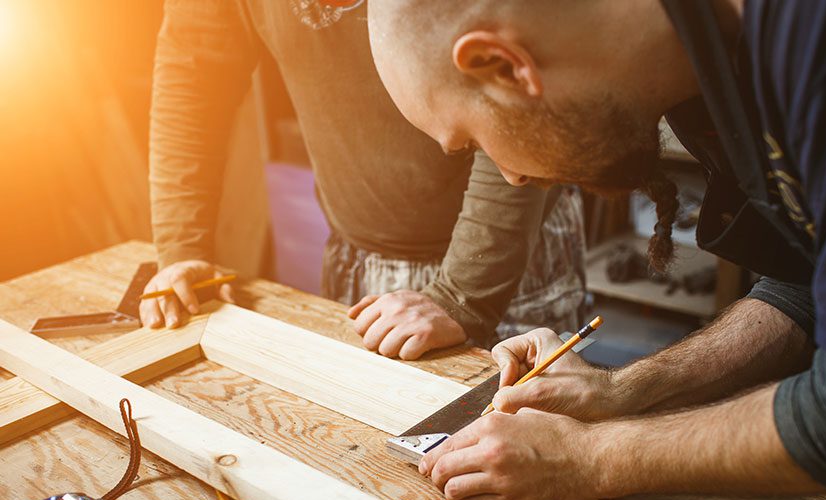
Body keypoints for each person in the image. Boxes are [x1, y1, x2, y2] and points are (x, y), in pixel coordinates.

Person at [366, 0, 826, 500]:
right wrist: (621, 393)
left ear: (505, 64)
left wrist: (590, 459)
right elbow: (807, 282)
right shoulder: (698, 66)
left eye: (472, 139)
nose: (512, 177)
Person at [140, 0, 587, 360]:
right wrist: (182, 247)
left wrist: (464, 294)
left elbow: (515, 96)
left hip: (511, 256)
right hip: (357, 260)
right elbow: (193, 80)